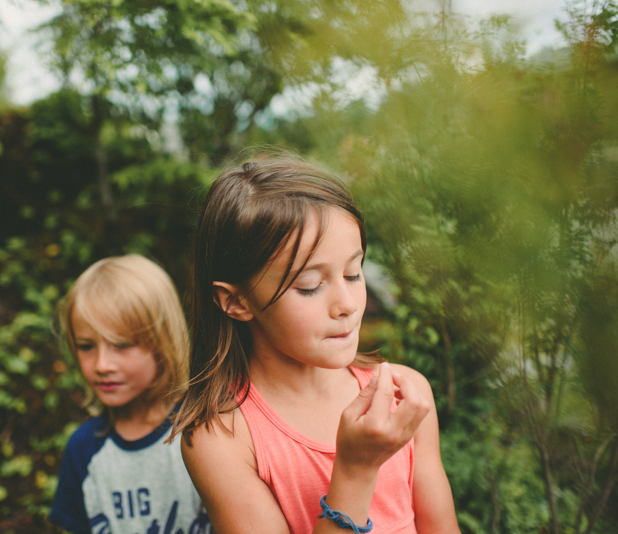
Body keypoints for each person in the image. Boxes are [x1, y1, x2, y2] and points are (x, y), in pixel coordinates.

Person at [170, 154, 460, 534]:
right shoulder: (220, 437)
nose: (347, 305)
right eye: (310, 286)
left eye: (354, 274)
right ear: (237, 302)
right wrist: (355, 470)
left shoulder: (405, 396)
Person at [49, 254, 211, 534]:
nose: (102, 365)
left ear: (163, 341)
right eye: (87, 346)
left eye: (121, 345)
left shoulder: (206, 427)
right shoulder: (84, 449)